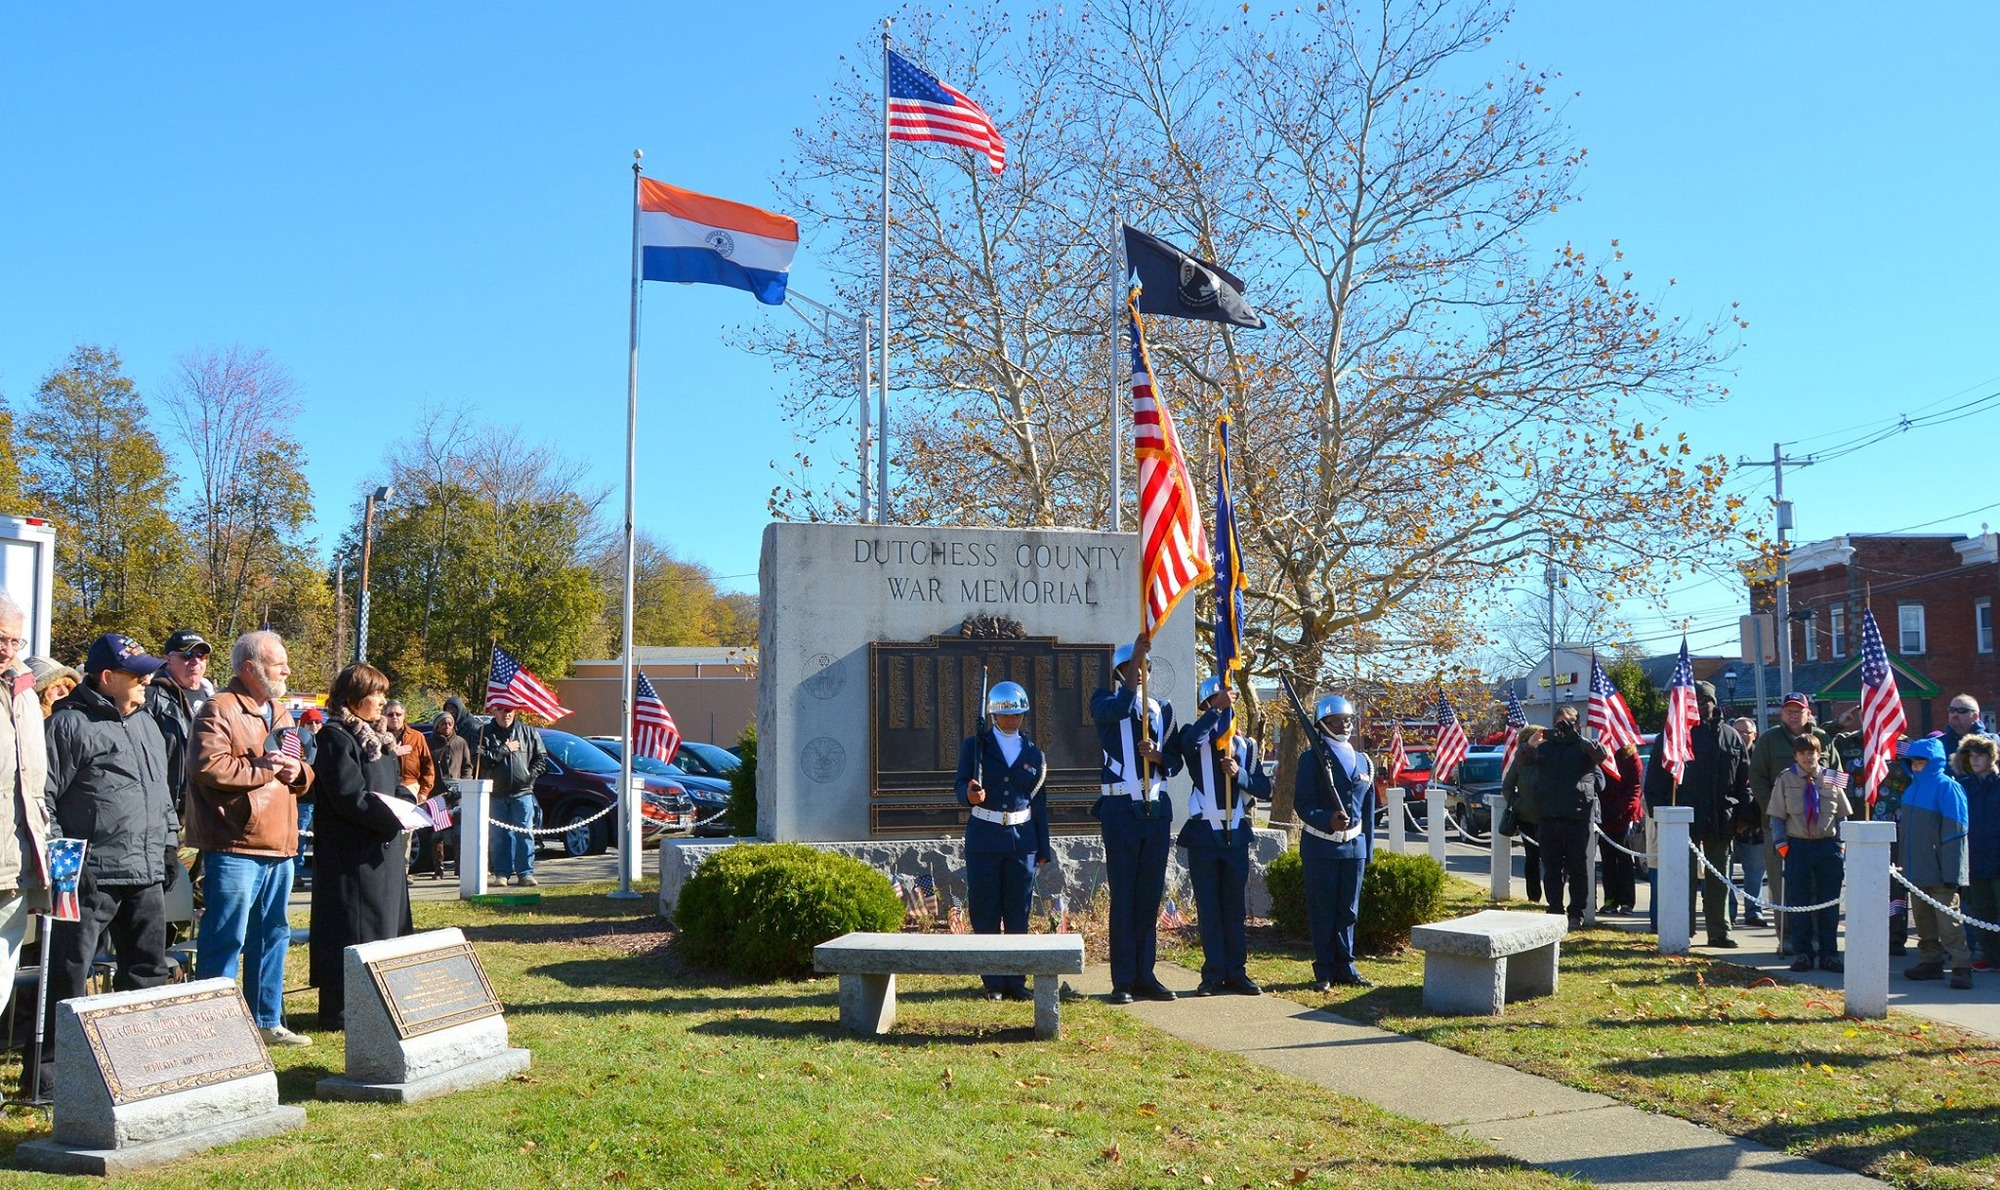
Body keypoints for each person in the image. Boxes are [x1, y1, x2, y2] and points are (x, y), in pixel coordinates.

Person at [43, 633, 181, 1054]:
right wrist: (66, 865)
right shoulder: (68, 724)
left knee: (147, 970)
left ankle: (138, 1061)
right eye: (136, 674)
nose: (147, 679)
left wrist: (169, 843)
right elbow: (41, 799)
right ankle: (54, 1070)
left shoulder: (147, 723)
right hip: (90, 877)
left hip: (145, 873)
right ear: (106, 677)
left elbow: (162, 793)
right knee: (69, 974)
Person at [186, 630, 315, 1047]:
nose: (287, 669)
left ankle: (266, 1019)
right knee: (227, 935)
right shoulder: (218, 709)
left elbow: (298, 765)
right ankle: (213, 1027)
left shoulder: (280, 712)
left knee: (273, 933)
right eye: (279, 663)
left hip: (280, 842)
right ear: (250, 668)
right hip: (235, 845)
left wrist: (300, 774)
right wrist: (265, 768)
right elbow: (210, 769)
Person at [309, 664, 415, 1030]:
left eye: (385, 694)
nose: (384, 702)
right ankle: (341, 1007)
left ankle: (383, 997)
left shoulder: (381, 739)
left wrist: (413, 806)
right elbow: (348, 797)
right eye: (377, 694)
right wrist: (393, 817)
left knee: (385, 925)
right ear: (354, 698)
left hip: (382, 851)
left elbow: (393, 788)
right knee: (352, 929)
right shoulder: (336, 737)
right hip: (350, 855)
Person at [1090, 634, 1182, 1004]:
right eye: (1130, 668)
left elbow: (1174, 762)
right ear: (1119, 672)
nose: (1139, 673)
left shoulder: (1164, 710)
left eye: (1143, 667)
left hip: (1155, 811)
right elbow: (1119, 707)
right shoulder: (1104, 699)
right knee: (1124, 896)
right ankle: (1123, 979)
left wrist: (1158, 756)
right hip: (1120, 810)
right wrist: (1135, 659)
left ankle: (1147, 973)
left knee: (1149, 896)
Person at [1174, 675, 1272, 996]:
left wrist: (1239, 773)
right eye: (1216, 703)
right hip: (1204, 834)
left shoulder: (1246, 746)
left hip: (1236, 834)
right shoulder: (1193, 735)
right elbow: (1188, 744)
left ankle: (1236, 971)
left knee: (1233, 909)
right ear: (1206, 704)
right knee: (1209, 908)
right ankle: (1213, 972)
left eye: (1228, 704)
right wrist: (1214, 711)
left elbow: (1263, 787)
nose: (1225, 708)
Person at [953, 680, 1051, 1002]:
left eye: (1018, 715)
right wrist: (969, 795)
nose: (1012, 721)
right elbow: (959, 785)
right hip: (985, 836)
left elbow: (1038, 801)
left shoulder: (1034, 753)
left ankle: (1016, 980)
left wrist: (1043, 846)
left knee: (1018, 910)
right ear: (994, 714)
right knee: (986, 909)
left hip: (1022, 841)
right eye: (1006, 715)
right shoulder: (976, 746)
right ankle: (992, 981)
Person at [1643, 681, 1751, 947]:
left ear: (1715, 704)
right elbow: (1655, 783)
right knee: (1683, 877)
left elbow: (1743, 780)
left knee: (1719, 880)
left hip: (1721, 818)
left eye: (1706, 701)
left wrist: (1745, 816)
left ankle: (1719, 931)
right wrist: (1662, 817)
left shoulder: (1731, 736)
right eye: (1695, 701)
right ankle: (1683, 928)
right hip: (1683, 820)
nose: (1701, 706)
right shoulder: (1673, 737)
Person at [1747, 694, 1838, 952]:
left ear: (1808, 714)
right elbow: (1757, 778)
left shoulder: (1824, 739)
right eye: (1788, 710)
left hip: (1820, 831)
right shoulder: (1769, 740)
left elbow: (1835, 776)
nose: (1793, 715)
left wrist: (1829, 812)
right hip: (1781, 829)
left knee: (1818, 888)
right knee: (1784, 886)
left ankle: (1818, 939)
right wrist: (1778, 811)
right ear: (1782, 714)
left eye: (1798, 711)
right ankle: (1788, 939)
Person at [0, 595, 54, 1023]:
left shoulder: (25, 691)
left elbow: (34, 781)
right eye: (1, 639)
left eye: (15, 641)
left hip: (16, 856)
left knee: (3, 967)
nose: (8, 650)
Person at [1768, 733, 1853, 973]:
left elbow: (1842, 814)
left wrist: (1840, 844)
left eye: (1812, 752)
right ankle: (1803, 953)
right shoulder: (1785, 779)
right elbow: (1777, 817)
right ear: (1795, 756)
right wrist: (1781, 845)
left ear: (1819, 754)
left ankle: (1829, 955)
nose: (1808, 757)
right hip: (1797, 847)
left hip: (1827, 847)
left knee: (1829, 904)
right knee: (1799, 904)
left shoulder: (1832, 778)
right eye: (1803, 753)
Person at [1898, 736, 1972, 988]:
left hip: (1941, 871)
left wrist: (1953, 872)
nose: (1917, 766)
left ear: (1933, 762)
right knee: (1923, 919)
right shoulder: (1911, 790)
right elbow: (1906, 834)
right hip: (1916, 869)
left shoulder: (1947, 787)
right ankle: (1930, 961)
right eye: (1914, 762)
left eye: (1921, 761)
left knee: (1949, 920)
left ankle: (1961, 966)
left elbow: (1956, 833)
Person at [1528, 706, 1607, 928]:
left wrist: (1575, 737)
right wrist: (1529, 744)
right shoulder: (1546, 748)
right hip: (1549, 816)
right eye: (1560, 722)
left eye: (1568, 722)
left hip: (1577, 816)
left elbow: (1601, 756)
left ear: (1577, 723)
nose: (1563, 726)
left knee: (1578, 867)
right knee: (1552, 868)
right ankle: (1554, 908)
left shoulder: (1585, 747)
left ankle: (1576, 913)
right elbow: (1523, 760)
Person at [145, 630, 216, 816]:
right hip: (167, 804)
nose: (195, 661)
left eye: (201, 655)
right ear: (168, 659)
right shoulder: (151, 696)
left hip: (205, 802)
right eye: (186, 655)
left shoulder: (215, 698)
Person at [480, 703, 547, 887]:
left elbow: (541, 758)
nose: (505, 714)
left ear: (515, 711)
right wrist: (504, 750)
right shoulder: (483, 733)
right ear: (493, 711)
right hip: (495, 794)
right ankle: (501, 874)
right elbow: (481, 759)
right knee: (499, 835)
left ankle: (525, 873)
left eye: (508, 710)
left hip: (522, 793)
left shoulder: (529, 732)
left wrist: (528, 777)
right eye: (501, 710)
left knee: (524, 834)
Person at [1953, 734, 2000, 973]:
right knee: (1981, 912)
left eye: (1980, 754)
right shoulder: (1963, 787)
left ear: (1992, 756)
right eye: (1970, 755)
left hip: (1997, 858)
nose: (1975, 759)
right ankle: (1991, 956)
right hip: (1974, 859)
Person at [1501, 726, 1545, 904]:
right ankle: (1533, 897)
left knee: (1553, 860)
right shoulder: (1519, 763)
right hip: (1527, 819)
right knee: (1532, 859)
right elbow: (1507, 787)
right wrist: (1519, 804)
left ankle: (1554, 898)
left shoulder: (1548, 759)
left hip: (1548, 817)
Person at [1599, 742, 1644, 915]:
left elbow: (1635, 788)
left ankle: (1626, 902)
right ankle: (1610, 900)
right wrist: (1603, 809)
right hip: (1604, 817)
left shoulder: (1631, 757)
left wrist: (1620, 809)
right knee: (1608, 860)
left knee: (1625, 861)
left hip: (1625, 816)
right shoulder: (1602, 754)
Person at [430, 712, 475, 781]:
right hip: (435, 787)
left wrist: (464, 781)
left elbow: (467, 766)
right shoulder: (428, 742)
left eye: (450, 724)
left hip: (457, 786)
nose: (447, 726)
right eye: (444, 724)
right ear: (437, 726)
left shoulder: (461, 742)